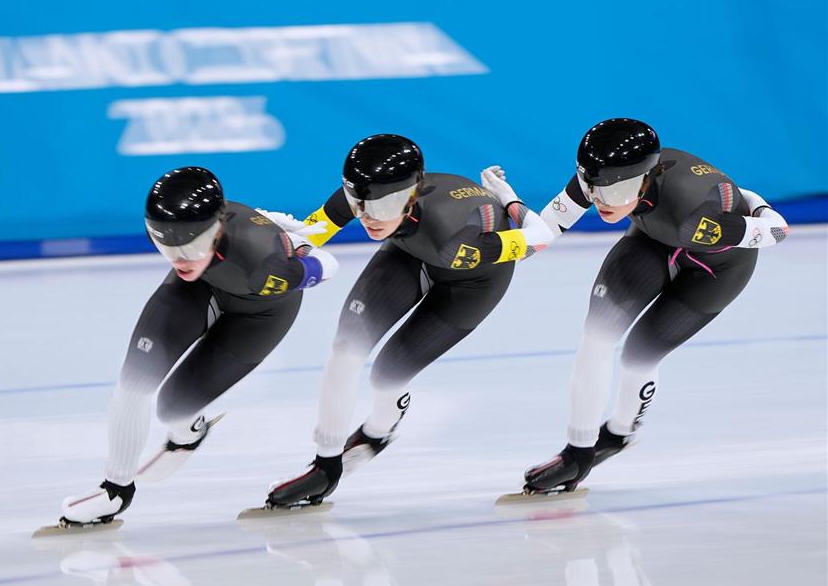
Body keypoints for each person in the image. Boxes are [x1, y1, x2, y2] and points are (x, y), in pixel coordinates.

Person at [264, 133, 553, 508]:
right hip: (409, 254)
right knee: (345, 349)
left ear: (412, 197)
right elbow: (311, 234)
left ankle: (378, 432)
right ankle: (325, 467)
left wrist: (510, 200)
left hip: (472, 279)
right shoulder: (366, 197)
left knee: (387, 374)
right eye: (359, 205)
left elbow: (541, 237)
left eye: (382, 208)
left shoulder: (454, 235)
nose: (368, 217)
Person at [520, 118, 789, 494]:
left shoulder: (695, 214)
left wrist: (755, 204)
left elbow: (777, 231)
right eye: (593, 189)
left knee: (637, 356)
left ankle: (619, 434)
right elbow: (547, 229)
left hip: (714, 270)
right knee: (595, 339)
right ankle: (577, 454)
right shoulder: (601, 177)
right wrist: (508, 248)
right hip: (652, 240)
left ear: (645, 180)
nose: (600, 202)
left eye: (614, 194)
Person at [58, 166, 339, 527]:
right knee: (132, 387)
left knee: (172, 409)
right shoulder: (187, 245)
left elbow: (328, 265)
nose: (180, 259)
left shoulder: (262, 260)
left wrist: (301, 253)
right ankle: (114, 492)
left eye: (192, 245)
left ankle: (188, 432)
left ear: (218, 230)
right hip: (196, 292)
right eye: (167, 245)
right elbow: (222, 223)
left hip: (260, 316)